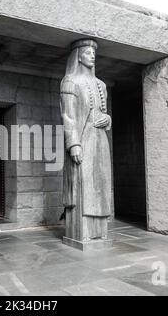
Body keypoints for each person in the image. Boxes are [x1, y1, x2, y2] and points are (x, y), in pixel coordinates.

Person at [60, 39, 112, 243]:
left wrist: (107, 119)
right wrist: (73, 143)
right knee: (84, 185)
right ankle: (83, 232)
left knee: (101, 182)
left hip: (100, 140)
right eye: (87, 52)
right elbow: (68, 116)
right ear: (78, 56)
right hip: (83, 140)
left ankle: (100, 231)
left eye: (93, 52)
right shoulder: (70, 82)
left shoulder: (101, 85)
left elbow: (105, 113)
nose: (92, 55)